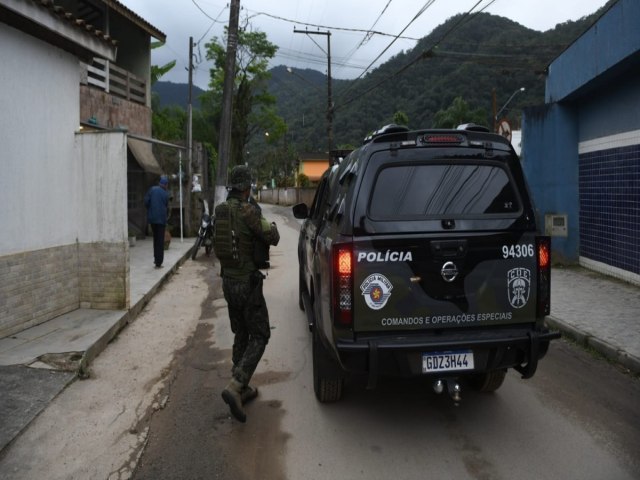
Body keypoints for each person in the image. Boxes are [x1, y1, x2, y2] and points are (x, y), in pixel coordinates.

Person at [218, 165, 279, 423]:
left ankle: (240, 386)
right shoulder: (248, 210)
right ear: (246, 188)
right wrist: (272, 224)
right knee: (260, 334)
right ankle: (236, 385)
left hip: (228, 282)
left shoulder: (221, 210)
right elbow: (272, 236)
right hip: (247, 284)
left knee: (241, 331)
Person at [144, 175, 169, 268]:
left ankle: (156, 259)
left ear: (160, 183)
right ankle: (159, 262)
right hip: (161, 220)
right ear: (165, 185)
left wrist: (150, 210)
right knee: (160, 241)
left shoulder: (152, 189)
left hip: (152, 219)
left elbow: (146, 201)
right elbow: (166, 206)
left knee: (155, 239)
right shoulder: (166, 194)